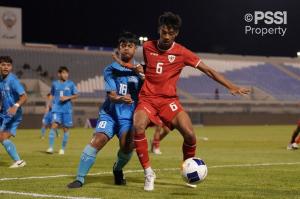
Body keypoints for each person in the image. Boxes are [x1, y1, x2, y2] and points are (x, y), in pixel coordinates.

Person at [114, 12, 250, 191]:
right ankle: (148, 173)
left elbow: (207, 70)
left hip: (169, 101)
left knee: (190, 134)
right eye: (164, 32)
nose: (167, 37)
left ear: (176, 34)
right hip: (147, 99)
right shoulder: (147, 46)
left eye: (171, 33)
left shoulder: (182, 52)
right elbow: (151, 69)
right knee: (138, 126)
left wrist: (230, 86)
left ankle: (189, 169)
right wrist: (136, 68)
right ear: (159, 31)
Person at [67, 32, 142, 188]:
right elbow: (112, 96)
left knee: (127, 146)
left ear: (135, 49)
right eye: (123, 45)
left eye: (130, 46)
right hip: (110, 114)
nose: (126, 49)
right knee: (98, 140)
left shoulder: (141, 71)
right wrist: (122, 98)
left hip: (128, 118)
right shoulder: (110, 70)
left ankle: (118, 169)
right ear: (119, 48)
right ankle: (79, 179)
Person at [0, 56, 27, 168]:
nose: (6, 67)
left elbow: (24, 96)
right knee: (2, 138)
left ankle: (19, 161)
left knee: (2, 137)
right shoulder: (1, 80)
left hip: (13, 115)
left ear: (11, 67)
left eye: (8, 65)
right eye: (3, 64)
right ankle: (18, 161)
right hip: (4, 114)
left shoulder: (13, 80)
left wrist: (15, 106)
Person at [46, 66, 78, 155]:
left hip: (67, 110)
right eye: (63, 73)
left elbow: (76, 95)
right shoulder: (54, 84)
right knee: (54, 125)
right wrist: (49, 104)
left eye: (66, 73)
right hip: (56, 108)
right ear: (59, 74)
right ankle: (50, 148)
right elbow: (51, 94)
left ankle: (62, 149)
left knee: (65, 129)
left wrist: (67, 97)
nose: (65, 75)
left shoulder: (71, 84)